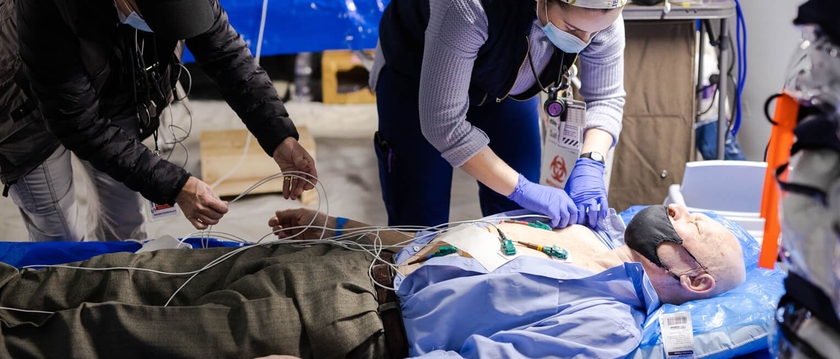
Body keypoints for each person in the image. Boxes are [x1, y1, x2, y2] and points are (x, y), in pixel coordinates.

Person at [0, 204, 746, 358]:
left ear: (698, 278)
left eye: (699, 223)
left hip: (352, 328)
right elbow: (444, 244)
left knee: (117, 332)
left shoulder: (607, 330)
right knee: (129, 272)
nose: (679, 210)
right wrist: (346, 232)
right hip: (350, 265)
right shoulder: (582, 236)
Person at [0, 0, 316, 242]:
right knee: (59, 239)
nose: (170, 29)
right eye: (158, 16)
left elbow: (228, 56)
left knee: (127, 227)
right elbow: (76, 121)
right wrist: (175, 184)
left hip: (117, 87)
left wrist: (280, 136)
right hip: (27, 108)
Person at [370, 0, 643, 229]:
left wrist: (592, 162)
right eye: (572, 29)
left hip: (504, 83)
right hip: (415, 78)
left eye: (596, 31)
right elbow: (443, 124)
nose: (586, 40)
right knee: (419, 222)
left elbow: (607, 97)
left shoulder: (600, 2)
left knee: (518, 218)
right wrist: (526, 189)